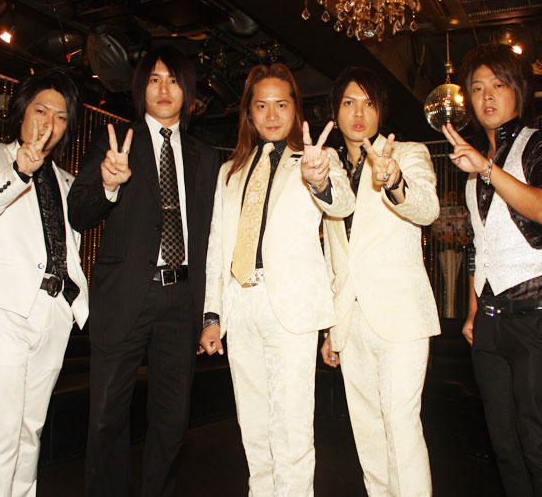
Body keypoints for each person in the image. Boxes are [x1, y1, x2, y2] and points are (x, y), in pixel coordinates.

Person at [67, 46, 220, 497]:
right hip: (124, 295)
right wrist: (107, 184)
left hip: (182, 299)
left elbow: (212, 236)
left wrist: (210, 311)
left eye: (173, 80)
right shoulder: (116, 140)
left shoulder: (205, 155)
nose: (164, 89)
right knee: (105, 419)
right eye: (154, 79)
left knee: (172, 422)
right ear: (140, 89)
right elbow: (79, 211)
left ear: (188, 91)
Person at [198, 63, 354, 496]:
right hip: (240, 305)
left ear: (295, 108)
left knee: (292, 431)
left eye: (281, 105)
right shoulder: (230, 170)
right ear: (248, 113)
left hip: (290, 308)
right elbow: (217, 246)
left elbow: (342, 203)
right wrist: (212, 315)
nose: (271, 114)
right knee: (254, 429)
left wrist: (320, 179)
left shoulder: (316, 159)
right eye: (261, 105)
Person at [442, 42, 542, 497]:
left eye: (498, 85)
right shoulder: (475, 166)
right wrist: (472, 312)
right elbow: (480, 245)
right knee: (504, 446)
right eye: (477, 87)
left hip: (541, 313)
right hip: (492, 319)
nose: (487, 96)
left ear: (518, 90)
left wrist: (486, 168)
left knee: (540, 440)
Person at [0, 68, 88, 497]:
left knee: (30, 431)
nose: (49, 123)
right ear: (22, 112)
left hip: (54, 312)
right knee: (1, 429)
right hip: (3, 309)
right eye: (41, 110)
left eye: (61, 117)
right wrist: (18, 171)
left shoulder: (68, 182)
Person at [319, 66, 440, 496]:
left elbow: (427, 209)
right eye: (349, 103)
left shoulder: (407, 153)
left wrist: (395, 181)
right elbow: (335, 257)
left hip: (401, 315)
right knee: (367, 430)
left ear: (381, 110)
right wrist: (332, 327)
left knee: (401, 424)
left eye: (368, 103)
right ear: (335, 111)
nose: (358, 113)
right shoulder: (328, 167)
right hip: (351, 319)